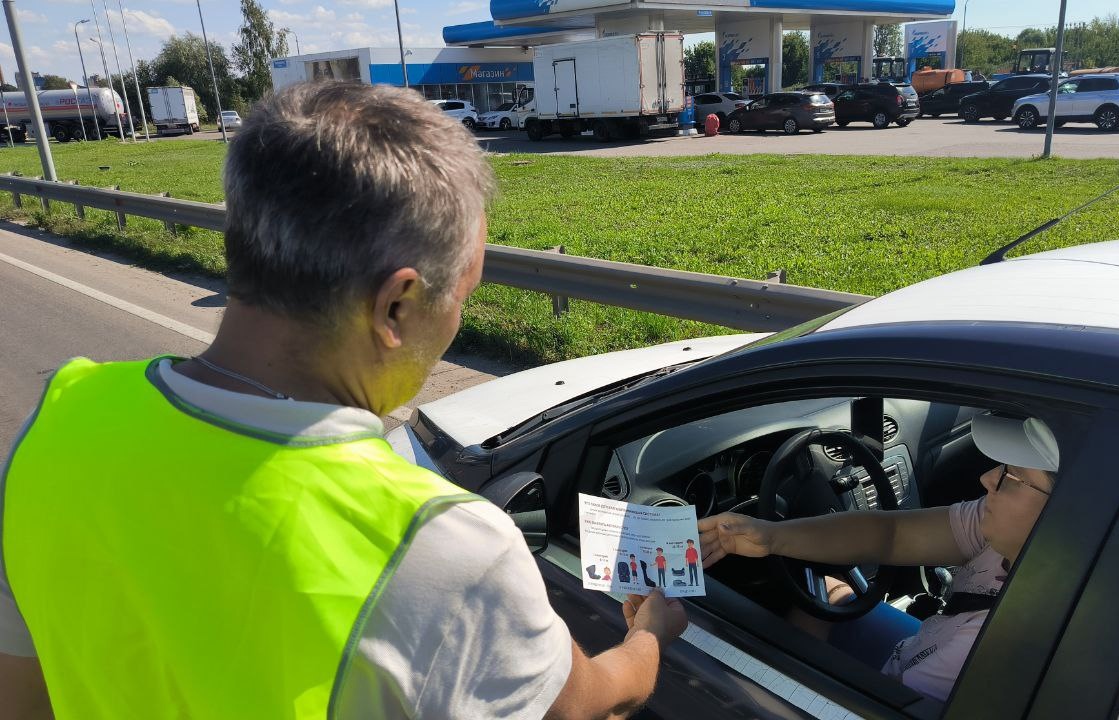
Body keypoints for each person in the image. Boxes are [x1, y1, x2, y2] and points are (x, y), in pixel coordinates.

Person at [0, 82, 686, 720]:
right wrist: (651, 633)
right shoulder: (441, 547)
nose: (453, 327)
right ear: (396, 305)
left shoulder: (64, 416)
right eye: (463, 296)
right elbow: (588, 704)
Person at [698, 413, 1058, 702]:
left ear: (1064, 511)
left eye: (1014, 476)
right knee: (828, 589)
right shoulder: (1012, 538)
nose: (987, 478)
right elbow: (892, 534)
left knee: (748, 680)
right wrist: (771, 537)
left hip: (903, 689)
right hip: (917, 648)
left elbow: (879, 705)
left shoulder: (993, 649)